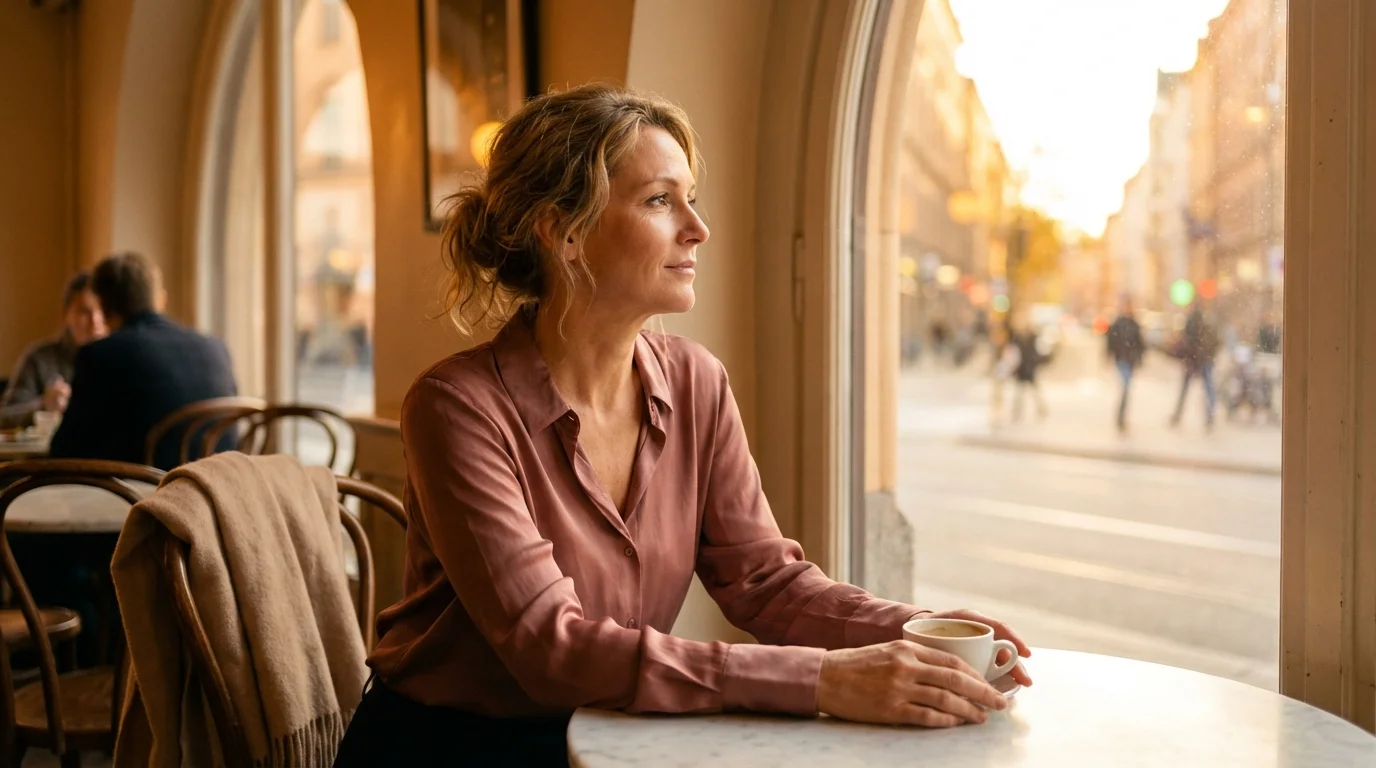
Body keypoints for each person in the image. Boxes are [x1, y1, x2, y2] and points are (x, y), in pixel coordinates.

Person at [333, 84, 1032, 767]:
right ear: (563, 233)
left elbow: (764, 582)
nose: (698, 229)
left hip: (618, 736)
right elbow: (553, 647)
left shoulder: (698, 382)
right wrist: (823, 679)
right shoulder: (456, 407)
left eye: (689, 199)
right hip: (452, 749)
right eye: (660, 200)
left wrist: (922, 631)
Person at [48, 251, 238, 469]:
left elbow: (64, 452)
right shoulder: (217, 349)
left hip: (145, 498)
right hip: (218, 492)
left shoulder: (101, 355)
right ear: (160, 300)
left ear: (103, 307)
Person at [0, 271, 107, 429]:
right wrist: (43, 405)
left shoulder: (120, 360)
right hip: (50, 453)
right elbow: (4, 416)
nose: (95, 321)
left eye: (102, 312)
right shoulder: (40, 359)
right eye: (85, 312)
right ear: (66, 314)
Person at [1170, 303, 1220, 429]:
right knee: (1207, 388)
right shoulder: (1209, 322)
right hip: (1203, 359)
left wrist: (1189, 356)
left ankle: (1178, 414)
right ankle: (1209, 416)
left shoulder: (1192, 322)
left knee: (1187, 389)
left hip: (1194, 359)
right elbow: (1216, 341)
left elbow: (1187, 341)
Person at [1106, 298, 1145, 432]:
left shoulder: (1134, 323)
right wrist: (1109, 355)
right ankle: (1121, 417)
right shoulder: (1118, 323)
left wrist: (1139, 358)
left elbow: (1140, 343)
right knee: (1125, 388)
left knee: (1126, 389)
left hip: (1130, 360)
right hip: (1122, 359)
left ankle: (1121, 416)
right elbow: (1110, 340)